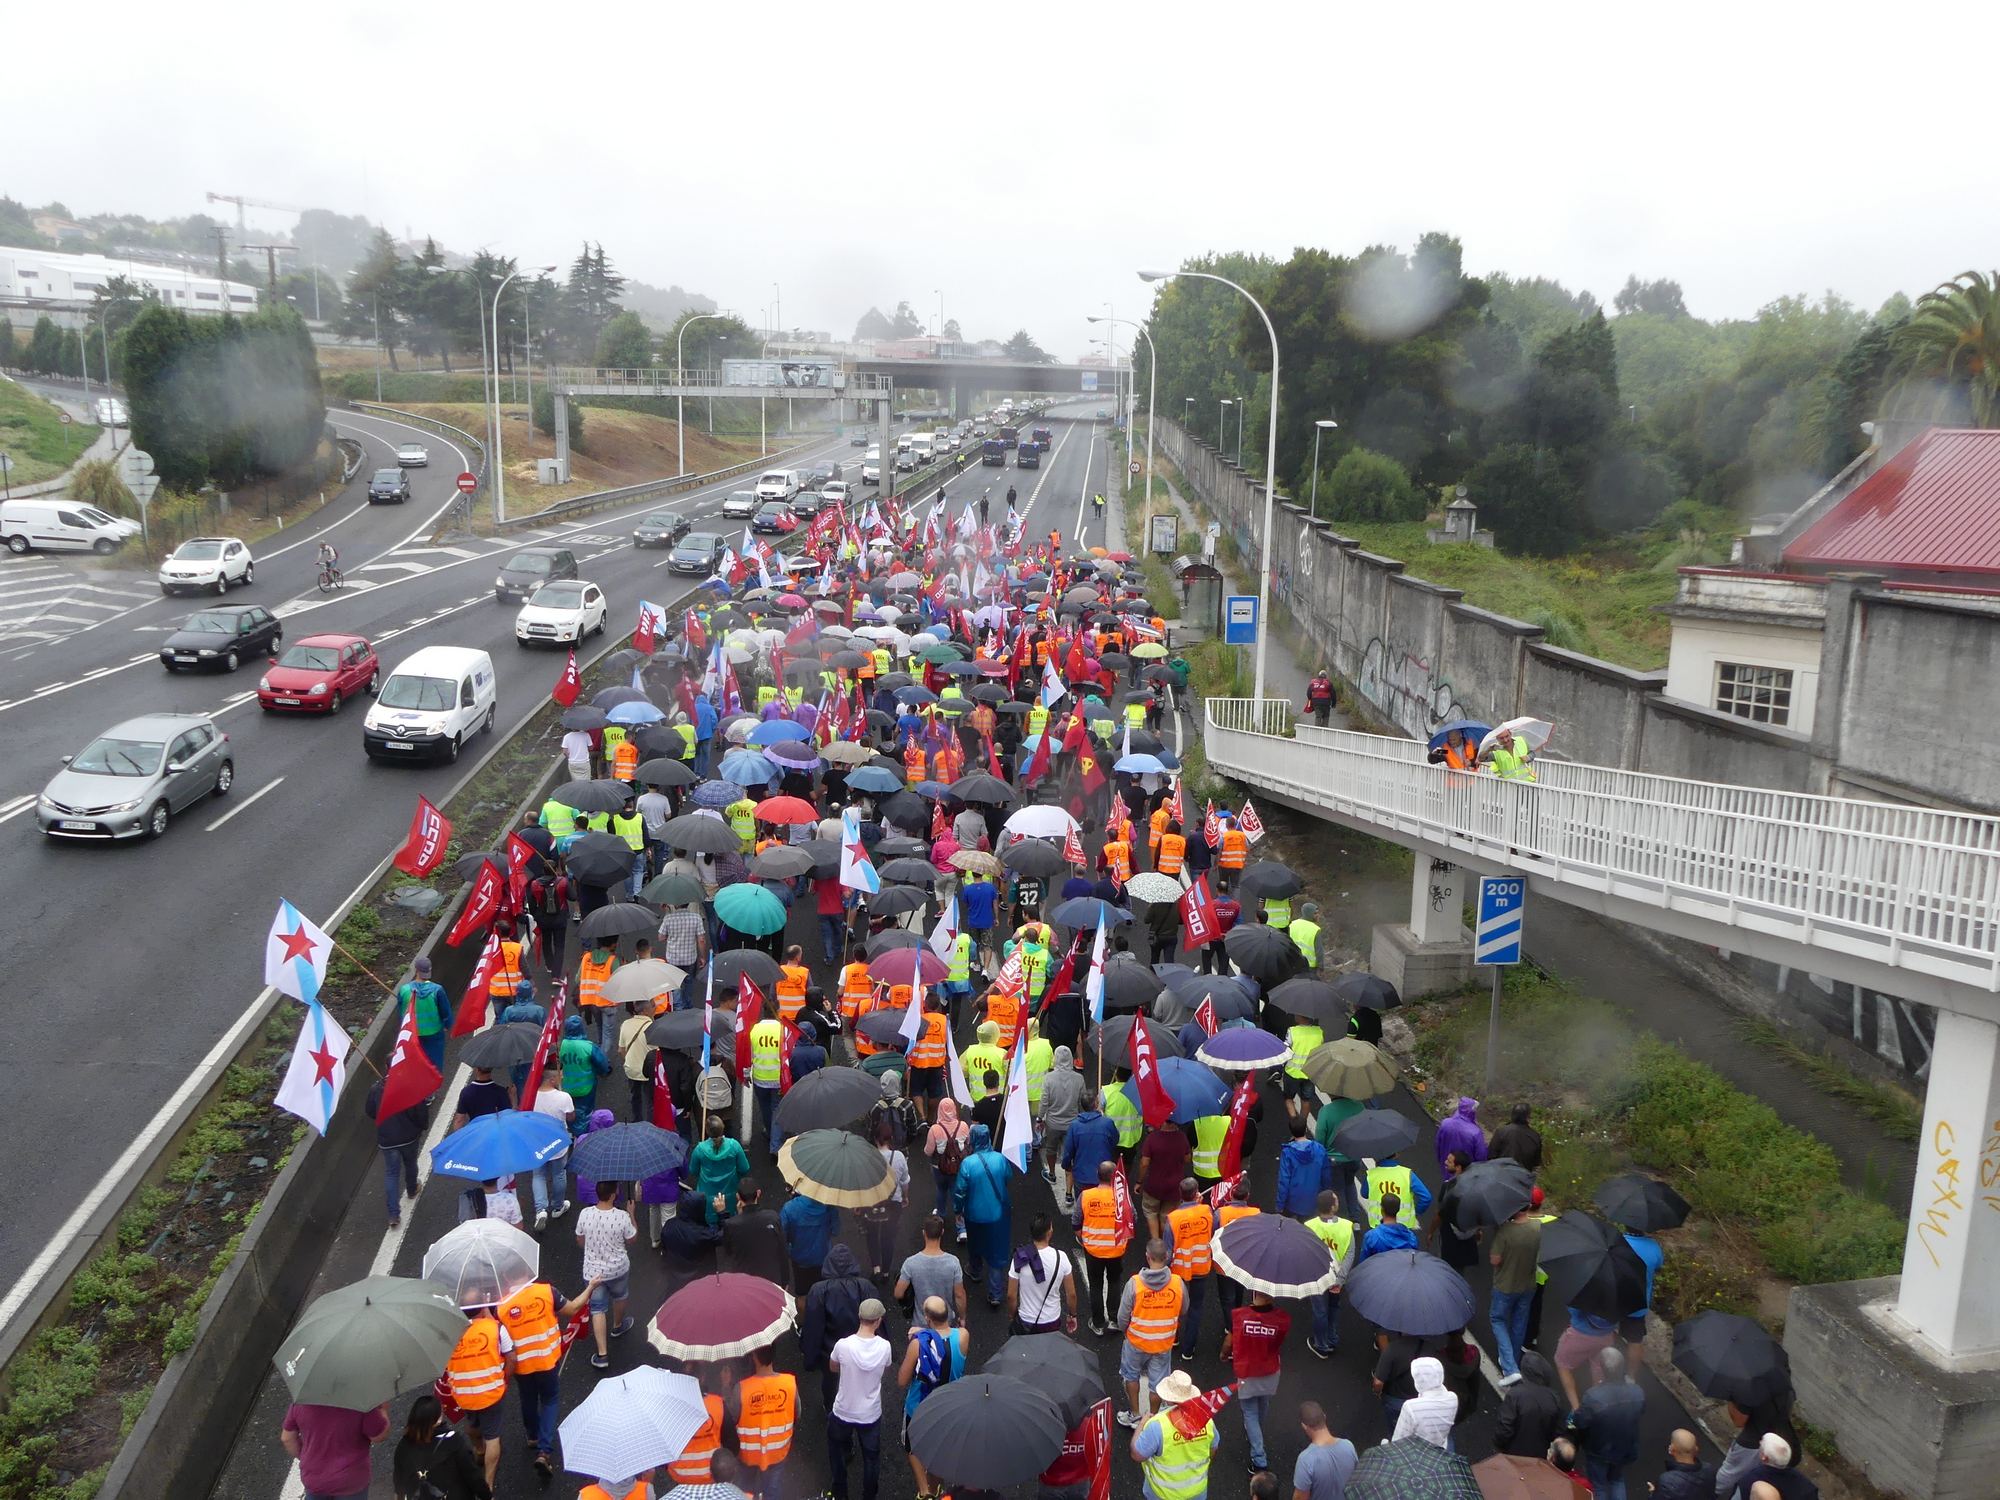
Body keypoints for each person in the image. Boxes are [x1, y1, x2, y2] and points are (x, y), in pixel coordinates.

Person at [496, 1275, 596, 1484]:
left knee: (528, 1398)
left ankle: (532, 1436)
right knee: (550, 1400)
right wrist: (590, 1288)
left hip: (522, 1366)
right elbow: (573, 1308)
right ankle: (544, 1451)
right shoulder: (547, 1292)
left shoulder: (502, 1306)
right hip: (547, 1359)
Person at [897, 1294, 969, 1495]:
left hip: (919, 1405)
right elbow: (944, 1336)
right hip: (948, 1405)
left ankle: (924, 1491)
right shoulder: (963, 1336)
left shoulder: (918, 1344)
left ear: (928, 1319)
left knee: (912, 1446)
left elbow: (902, 1380)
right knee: (939, 1448)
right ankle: (936, 1488)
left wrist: (920, 1335)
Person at [826, 1297, 892, 1500]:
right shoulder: (885, 1347)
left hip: (843, 1410)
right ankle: (869, 1495)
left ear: (859, 1317)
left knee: (836, 1451)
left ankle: (840, 1492)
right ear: (878, 1321)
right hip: (870, 1413)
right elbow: (886, 1368)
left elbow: (833, 1367)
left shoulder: (843, 1345)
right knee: (871, 1458)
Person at [1115, 1239, 1186, 1428]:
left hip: (1136, 1341)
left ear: (1148, 1257)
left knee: (1131, 1376)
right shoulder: (1177, 1283)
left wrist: (1127, 1332)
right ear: (1167, 1257)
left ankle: (1135, 1415)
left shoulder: (1135, 1283)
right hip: (1163, 1343)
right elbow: (1184, 1309)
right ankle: (1153, 1418)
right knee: (1158, 1383)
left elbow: (1122, 1317)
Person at [1568, 1346, 1645, 1500]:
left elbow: (1581, 1422)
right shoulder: (1637, 1392)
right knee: (1617, 1480)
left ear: (1602, 1369)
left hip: (1598, 1449)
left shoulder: (1593, 1396)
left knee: (1599, 1486)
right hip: (1625, 1447)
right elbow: (1640, 1413)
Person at [575, 1178, 637, 1369]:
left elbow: (580, 1240)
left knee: (597, 1309)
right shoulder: (622, 1217)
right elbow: (632, 1239)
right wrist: (632, 1213)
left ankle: (602, 1354)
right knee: (621, 1296)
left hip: (594, 1273)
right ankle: (617, 1326)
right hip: (618, 1269)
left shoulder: (585, 1214)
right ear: (614, 1194)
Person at [1130, 1369, 1219, 1500]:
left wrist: (1141, 1424)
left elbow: (1137, 1455)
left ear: (1168, 1398)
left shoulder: (1157, 1425)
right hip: (1197, 1492)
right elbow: (1213, 1450)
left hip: (1164, 1494)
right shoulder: (1207, 1421)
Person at [1229, 1289, 1291, 1474]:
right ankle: (1256, 1431)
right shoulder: (1282, 1319)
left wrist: (1224, 1354)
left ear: (1255, 1293)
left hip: (1247, 1372)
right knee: (1263, 1403)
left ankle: (1259, 1458)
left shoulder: (1240, 1316)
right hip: (1270, 1371)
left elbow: (1231, 1340)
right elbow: (1277, 1343)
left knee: (1249, 1412)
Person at [954, 1121, 1015, 1306]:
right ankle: (995, 1294)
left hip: (973, 1213)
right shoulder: (1000, 1159)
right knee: (996, 1251)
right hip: (997, 1213)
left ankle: (975, 1270)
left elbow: (960, 1191)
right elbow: (1008, 1177)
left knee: (975, 1243)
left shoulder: (967, 1163)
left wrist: (958, 1210)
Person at [282, 1398, 389, 1500]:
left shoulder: (301, 1403)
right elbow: (379, 1436)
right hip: (350, 1480)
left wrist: (306, 1457)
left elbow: (287, 1439)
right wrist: (383, 1410)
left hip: (314, 1479)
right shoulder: (360, 1403)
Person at [392, 1393, 490, 1500]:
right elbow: (472, 1475)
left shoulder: (403, 1445)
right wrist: (487, 1496)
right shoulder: (453, 1441)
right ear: (438, 1420)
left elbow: (399, 1482)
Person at [367, 1070, 429, 1232]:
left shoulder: (375, 1089)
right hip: (409, 1137)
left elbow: (370, 1111)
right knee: (410, 1163)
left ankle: (393, 1214)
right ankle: (412, 1188)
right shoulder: (408, 1086)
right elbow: (419, 1110)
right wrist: (422, 1126)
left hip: (387, 1139)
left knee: (391, 1173)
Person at [1489, 1201, 1545, 1383]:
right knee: (1519, 1323)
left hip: (1505, 1285)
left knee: (1497, 1320)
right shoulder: (1538, 1227)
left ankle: (1510, 1367)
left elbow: (1495, 1260)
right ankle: (1513, 1359)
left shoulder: (1505, 1231)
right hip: (1528, 1285)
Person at [1077, 1160, 1132, 1335]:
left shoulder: (1086, 1196)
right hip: (1116, 1250)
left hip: (1093, 1250)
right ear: (1115, 1177)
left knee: (1095, 1285)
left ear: (1097, 1175)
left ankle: (1098, 1323)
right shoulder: (1122, 1198)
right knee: (1114, 1282)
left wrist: (1084, 1238)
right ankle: (1114, 1320)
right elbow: (1132, 1220)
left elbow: (1076, 1223)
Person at [1164, 1178, 1214, 1359]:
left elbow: (1168, 1251)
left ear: (1180, 1194)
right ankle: (1188, 1350)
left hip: (1179, 1270)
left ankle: (1174, 1339)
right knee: (1195, 1308)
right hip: (1201, 1267)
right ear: (1197, 1192)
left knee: (1175, 1306)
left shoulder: (1172, 1218)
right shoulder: (1207, 1211)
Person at [1303, 1190, 1355, 1358]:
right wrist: (1341, 1279)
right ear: (1332, 1207)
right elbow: (1349, 1254)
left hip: (1317, 1276)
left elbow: (1305, 1253)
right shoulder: (1346, 1226)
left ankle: (1321, 1344)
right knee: (1334, 1307)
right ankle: (1332, 1338)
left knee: (1320, 1311)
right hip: (1337, 1276)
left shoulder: (1309, 1226)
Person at [1008, 1210, 1077, 1334]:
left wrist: (1013, 1317)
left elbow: (1011, 1296)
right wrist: (1072, 1315)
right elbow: (1071, 1294)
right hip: (1051, 1320)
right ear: (1049, 1233)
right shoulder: (1061, 1257)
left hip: (1026, 1321)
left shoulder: (1019, 1257)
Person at [860, 1110, 910, 1279]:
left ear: (875, 1139)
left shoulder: (868, 1157)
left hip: (872, 1202)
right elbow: (904, 1181)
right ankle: (887, 1271)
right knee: (888, 1237)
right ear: (890, 1139)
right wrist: (905, 1197)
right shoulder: (899, 1157)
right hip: (893, 1203)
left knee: (872, 1235)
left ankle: (876, 1267)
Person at [527, 1060, 575, 1230]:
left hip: (537, 1142)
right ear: (552, 1079)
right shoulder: (564, 1097)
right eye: (560, 1075)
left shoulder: (531, 1095)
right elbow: (571, 1117)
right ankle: (558, 1206)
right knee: (559, 1174)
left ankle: (541, 1210)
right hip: (558, 1143)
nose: (562, 1077)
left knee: (538, 1176)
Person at [895, 1213, 967, 1325]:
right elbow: (959, 1295)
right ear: (942, 1232)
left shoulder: (910, 1263)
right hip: (945, 1322)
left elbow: (898, 1293)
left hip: (920, 1323)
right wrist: (962, 1318)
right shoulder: (953, 1262)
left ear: (924, 1233)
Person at [1493, 1349, 1565, 1458]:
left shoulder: (1515, 1394)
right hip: (1538, 1457)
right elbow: (1558, 1431)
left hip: (1512, 1454)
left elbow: (1504, 1428)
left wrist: (1499, 1445)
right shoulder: (1555, 1398)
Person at [1061, 1087, 1120, 1206]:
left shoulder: (1075, 1126)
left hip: (1082, 1176)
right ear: (1096, 1104)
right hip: (1103, 1175)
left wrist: (1066, 1165)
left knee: (1083, 1206)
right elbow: (1115, 1140)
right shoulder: (1107, 1123)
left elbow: (1068, 1151)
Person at [782, 1183, 843, 1295]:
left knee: (802, 1294)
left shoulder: (789, 1207)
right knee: (823, 1293)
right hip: (823, 1258)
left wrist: (790, 1249)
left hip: (800, 1260)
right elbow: (835, 1231)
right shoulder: (829, 1207)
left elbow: (782, 1236)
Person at [691, 1115, 753, 1225]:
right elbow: (744, 1169)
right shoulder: (734, 1146)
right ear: (722, 1128)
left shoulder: (699, 1149)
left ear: (707, 1131)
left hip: (707, 1198)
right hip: (731, 1196)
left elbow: (693, 1171)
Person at [923, 1098, 971, 1235]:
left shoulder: (935, 1129)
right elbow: (968, 1144)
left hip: (939, 1167)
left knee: (941, 1190)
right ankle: (961, 1227)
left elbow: (928, 1151)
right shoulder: (963, 1126)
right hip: (958, 1167)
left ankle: (940, 1217)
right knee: (957, 1193)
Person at [1137, 1120, 1192, 1239]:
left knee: (1151, 1212)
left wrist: (1139, 1182)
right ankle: (1164, 1240)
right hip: (1175, 1187)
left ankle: (1155, 1241)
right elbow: (1187, 1159)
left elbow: (1144, 1163)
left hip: (1153, 1185)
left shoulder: (1152, 1138)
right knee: (1166, 1217)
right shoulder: (1182, 1138)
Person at [398, 956, 453, 1074]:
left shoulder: (404, 990)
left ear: (416, 970)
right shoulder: (437, 990)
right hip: (434, 1033)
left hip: (412, 1034)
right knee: (434, 1063)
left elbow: (401, 1013)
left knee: (416, 1063)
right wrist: (447, 1025)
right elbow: (446, 1012)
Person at [1290, 1402, 1357, 1500]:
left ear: (1304, 1426)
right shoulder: (1348, 1446)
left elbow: (1300, 1498)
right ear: (1324, 1417)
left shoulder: (1306, 1459)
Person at [1391, 1356, 1456, 1449]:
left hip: (1419, 1451)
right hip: (1442, 1446)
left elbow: (1399, 1440)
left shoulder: (1411, 1407)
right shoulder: (1452, 1397)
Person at [1276, 1117, 1333, 1219]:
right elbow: (1326, 1176)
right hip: (1314, 1200)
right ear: (1306, 1129)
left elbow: (1284, 1180)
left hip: (1293, 1202)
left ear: (1292, 1132)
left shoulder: (1287, 1152)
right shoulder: (1319, 1149)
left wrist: (1280, 1204)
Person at [1650, 1428, 1715, 1500]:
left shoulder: (1667, 1482)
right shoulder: (1709, 1469)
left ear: (1671, 1449)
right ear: (1696, 1449)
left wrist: (1654, 1492)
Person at [1357, 1193, 1418, 1262]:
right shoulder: (1411, 1237)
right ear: (1398, 1210)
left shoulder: (1371, 1237)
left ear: (1381, 1209)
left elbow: (1364, 1263)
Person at [1434, 1096, 1487, 1171]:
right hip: (1465, 1170)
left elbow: (1438, 1143)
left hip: (1447, 1165)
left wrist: (1440, 1159)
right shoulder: (1476, 1132)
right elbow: (1481, 1157)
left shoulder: (1446, 1123)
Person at [1488, 1102, 1544, 1172]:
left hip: (1501, 1173)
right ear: (1528, 1117)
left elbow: (1491, 1155)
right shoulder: (1535, 1136)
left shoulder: (1501, 1131)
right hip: (1523, 1175)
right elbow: (1536, 1163)